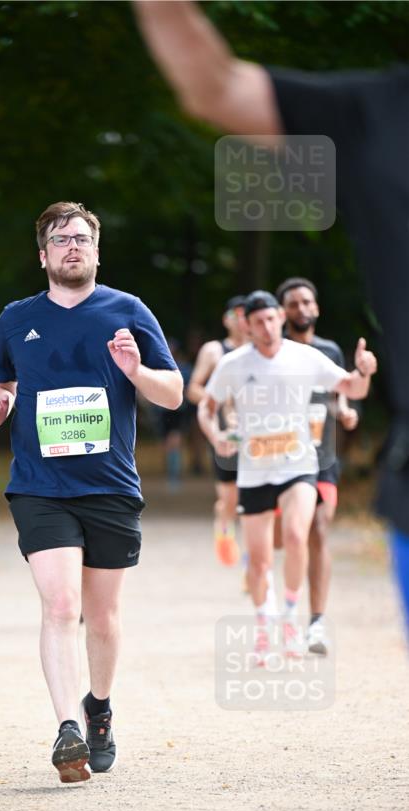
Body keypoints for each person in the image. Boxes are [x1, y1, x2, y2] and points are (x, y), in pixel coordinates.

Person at [133, 0, 409, 624]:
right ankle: (275, 610)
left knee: (305, 531)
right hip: (260, 464)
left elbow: (345, 388)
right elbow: (216, 86)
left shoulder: (313, 355)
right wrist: (217, 430)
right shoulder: (379, 112)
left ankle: (298, 613)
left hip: (308, 463)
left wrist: (351, 389)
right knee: (269, 545)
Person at [0, 201, 183, 783]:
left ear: (96, 250)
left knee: (103, 615)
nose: (73, 246)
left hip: (110, 485)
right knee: (61, 605)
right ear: (43, 255)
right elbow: (0, 385)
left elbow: (173, 394)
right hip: (41, 486)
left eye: (83, 238)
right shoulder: (16, 318)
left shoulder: (127, 311)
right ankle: (67, 727)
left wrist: (136, 370)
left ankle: (99, 710)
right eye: (62, 239)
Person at [198, 290, 377, 665]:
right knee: (260, 561)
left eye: (270, 319)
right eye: (257, 322)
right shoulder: (233, 363)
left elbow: (351, 388)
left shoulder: (305, 357)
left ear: (280, 318)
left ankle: (293, 619)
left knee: (298, 536)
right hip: (254, 472)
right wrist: (217, 438)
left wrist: (363, 371)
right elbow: (207, 406)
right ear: (247, 325)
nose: (265, 327)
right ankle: (265, 628)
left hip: (299, 467)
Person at [276, 277, 360, 654]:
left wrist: (345, 413)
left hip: (322, 459)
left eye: (307, 302)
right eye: (293, 304)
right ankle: (283, 610)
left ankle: (316, 622)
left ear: (317, 308)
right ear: (283, 312)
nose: (301, 309)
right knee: (288, 537)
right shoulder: (273, 351)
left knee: (319, 530)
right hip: (279, 458)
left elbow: (341, 393)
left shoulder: (329, 350)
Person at [187, 295, 249, 567]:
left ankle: (254, 554)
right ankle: (224, 527)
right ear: (227, 319)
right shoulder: (214, 351)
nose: (244, 320)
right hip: (225, 432)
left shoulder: (263, 349)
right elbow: (193, 389)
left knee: (257, 494)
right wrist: (220, 399)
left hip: (260, 432)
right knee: (230, 498)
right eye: (238, 314)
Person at [153, 338, 194, 489]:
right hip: (162, 412)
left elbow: (190, 390)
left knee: (174, 443)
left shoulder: (184, 368)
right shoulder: (157, 367)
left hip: (178, 412)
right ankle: (172, 474)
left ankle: (174, 477)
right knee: (166, 446)